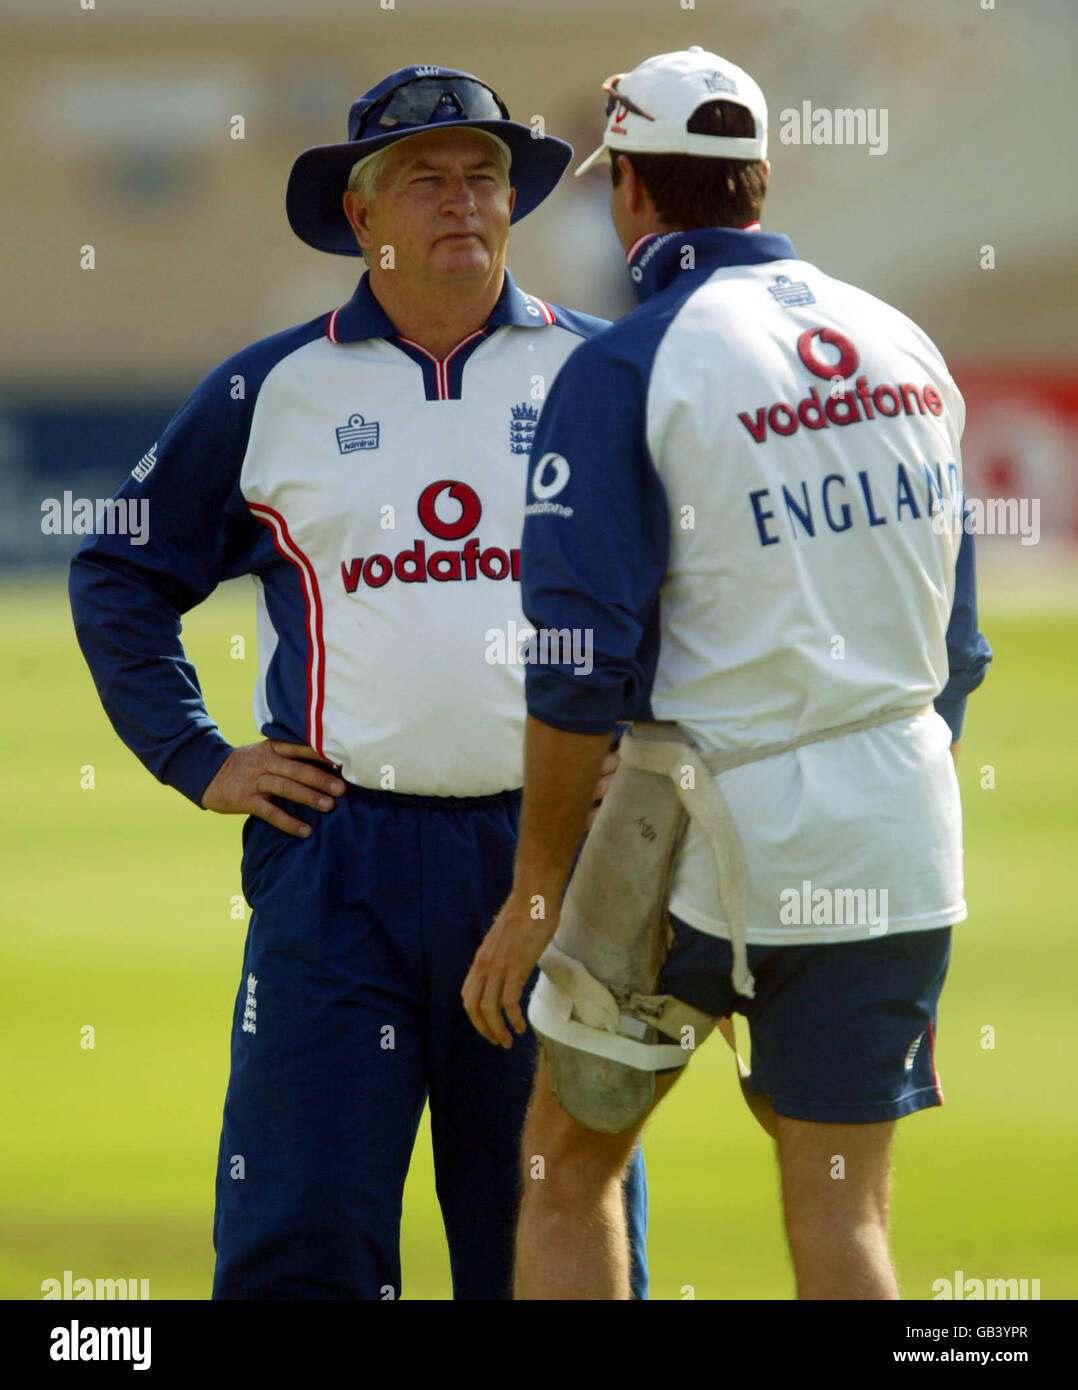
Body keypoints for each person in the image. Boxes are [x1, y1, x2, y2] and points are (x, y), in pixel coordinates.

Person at [69, 64, 647, 1301]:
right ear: (361, 216)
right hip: (337, 862)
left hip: (547, 857)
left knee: (547, 1222)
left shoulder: (607, 377)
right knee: (303, 1237)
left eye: (484, 177)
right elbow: (120, 570)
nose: (462, 203)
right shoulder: (269, 386)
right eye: (426, 180)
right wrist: (196, 753)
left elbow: (697, 585)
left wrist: (642, 751)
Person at [462, 47, 992, 1300]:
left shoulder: (629, 361)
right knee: (841, 1209)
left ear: (627, 191)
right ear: (758, 180)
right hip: (900, 825)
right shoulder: (902, 338)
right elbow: (958, 648)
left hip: (697, 824)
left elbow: (576, 663)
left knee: (564, 1166)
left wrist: (537, 887)